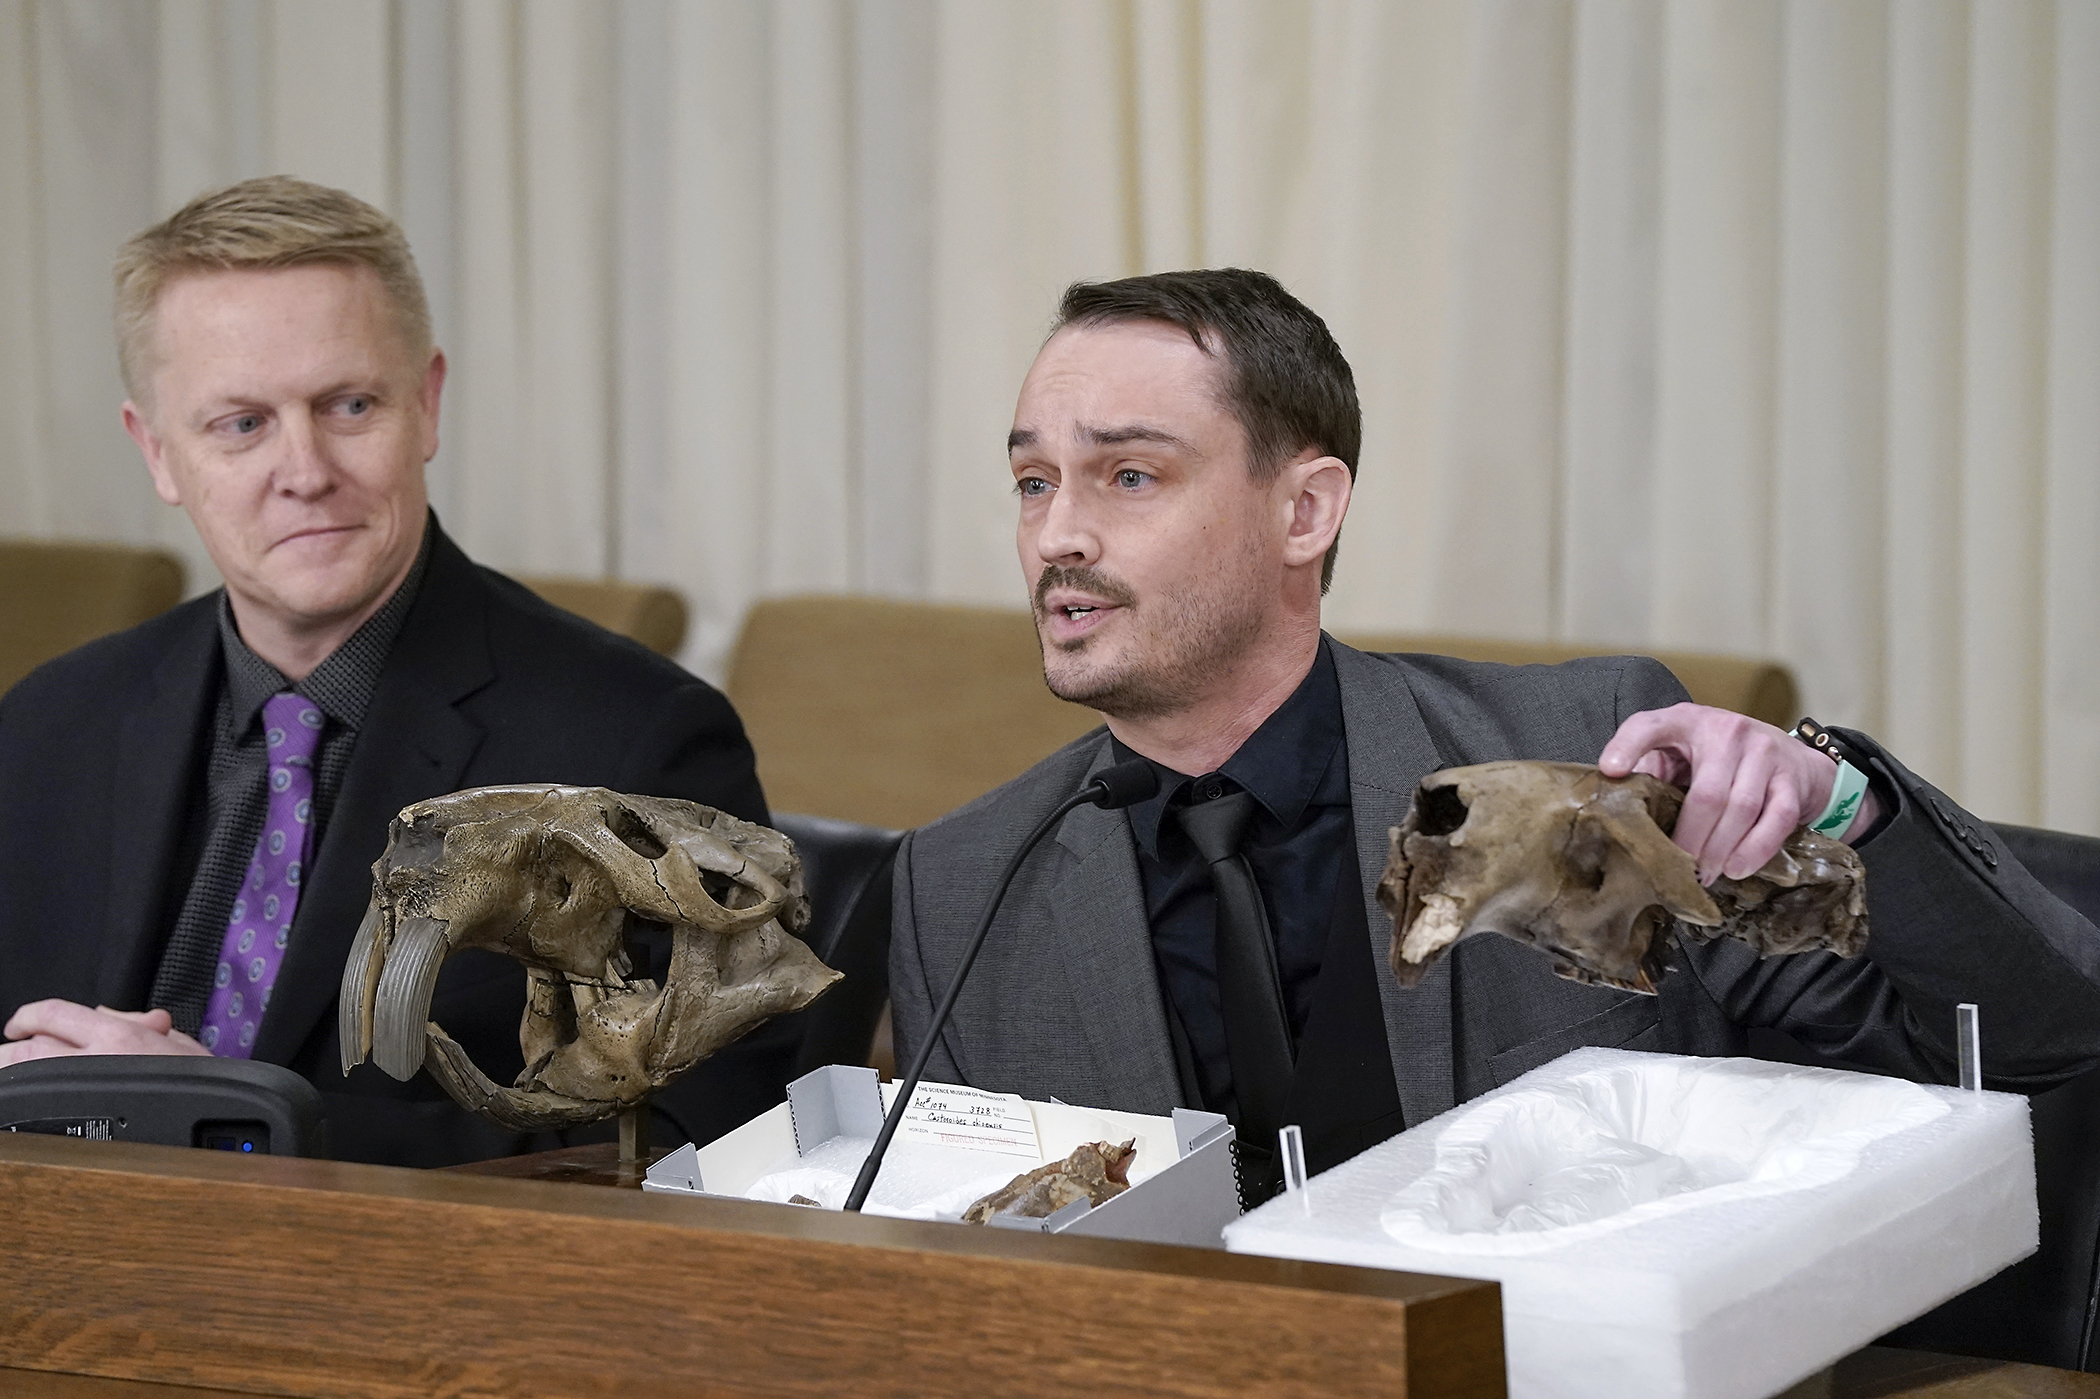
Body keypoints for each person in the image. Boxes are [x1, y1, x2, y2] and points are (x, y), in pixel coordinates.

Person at [889, 268, 2100, 1196]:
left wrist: (1845, 805)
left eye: (1129, 477)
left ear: (1304, 509)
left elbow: (2043, 1040)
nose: (1057, 538)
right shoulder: (959, 884)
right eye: (1034, 482)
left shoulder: (1592, 757)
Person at [0, 177, 784, 1167]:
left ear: (427, 403)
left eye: (349, 404)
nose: (305, 468)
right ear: (157, 453)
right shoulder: (45, 728)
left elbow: (705, 1131)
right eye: (240, 423)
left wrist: (241, 1121)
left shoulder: (635, 742)